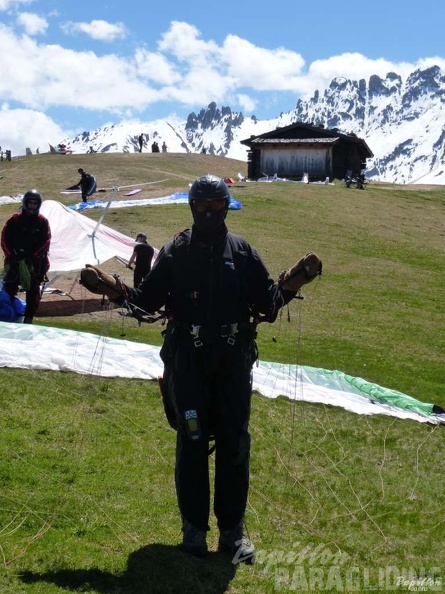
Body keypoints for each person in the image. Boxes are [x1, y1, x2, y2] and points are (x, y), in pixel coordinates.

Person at [80, 174, 321, 563]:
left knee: (233, 442)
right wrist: (112, 289)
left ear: (226, 207)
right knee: (191, 440)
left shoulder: (242, 253)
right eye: (202, 206)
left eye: (216, 206)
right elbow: (146, 301)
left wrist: (294, 281)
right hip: (187, 362)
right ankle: (193, 530)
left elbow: (267, 305)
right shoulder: (176, 251)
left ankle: (232, 533)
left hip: (232, 361)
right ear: (193, 207)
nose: (209, 212)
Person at [1, 189, 51, 324]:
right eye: (30, 203)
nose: (33, 206)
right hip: (14, 260)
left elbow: (46, 241)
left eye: (35, 204)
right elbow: (4, 238)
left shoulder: (42, 222)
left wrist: (33, 256)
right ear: (25, 203)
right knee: (10, 286)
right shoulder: (15, 220)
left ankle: (29, 317)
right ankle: (6, 315)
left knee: (33, 290)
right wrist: (11, 255)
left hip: (34, 263)